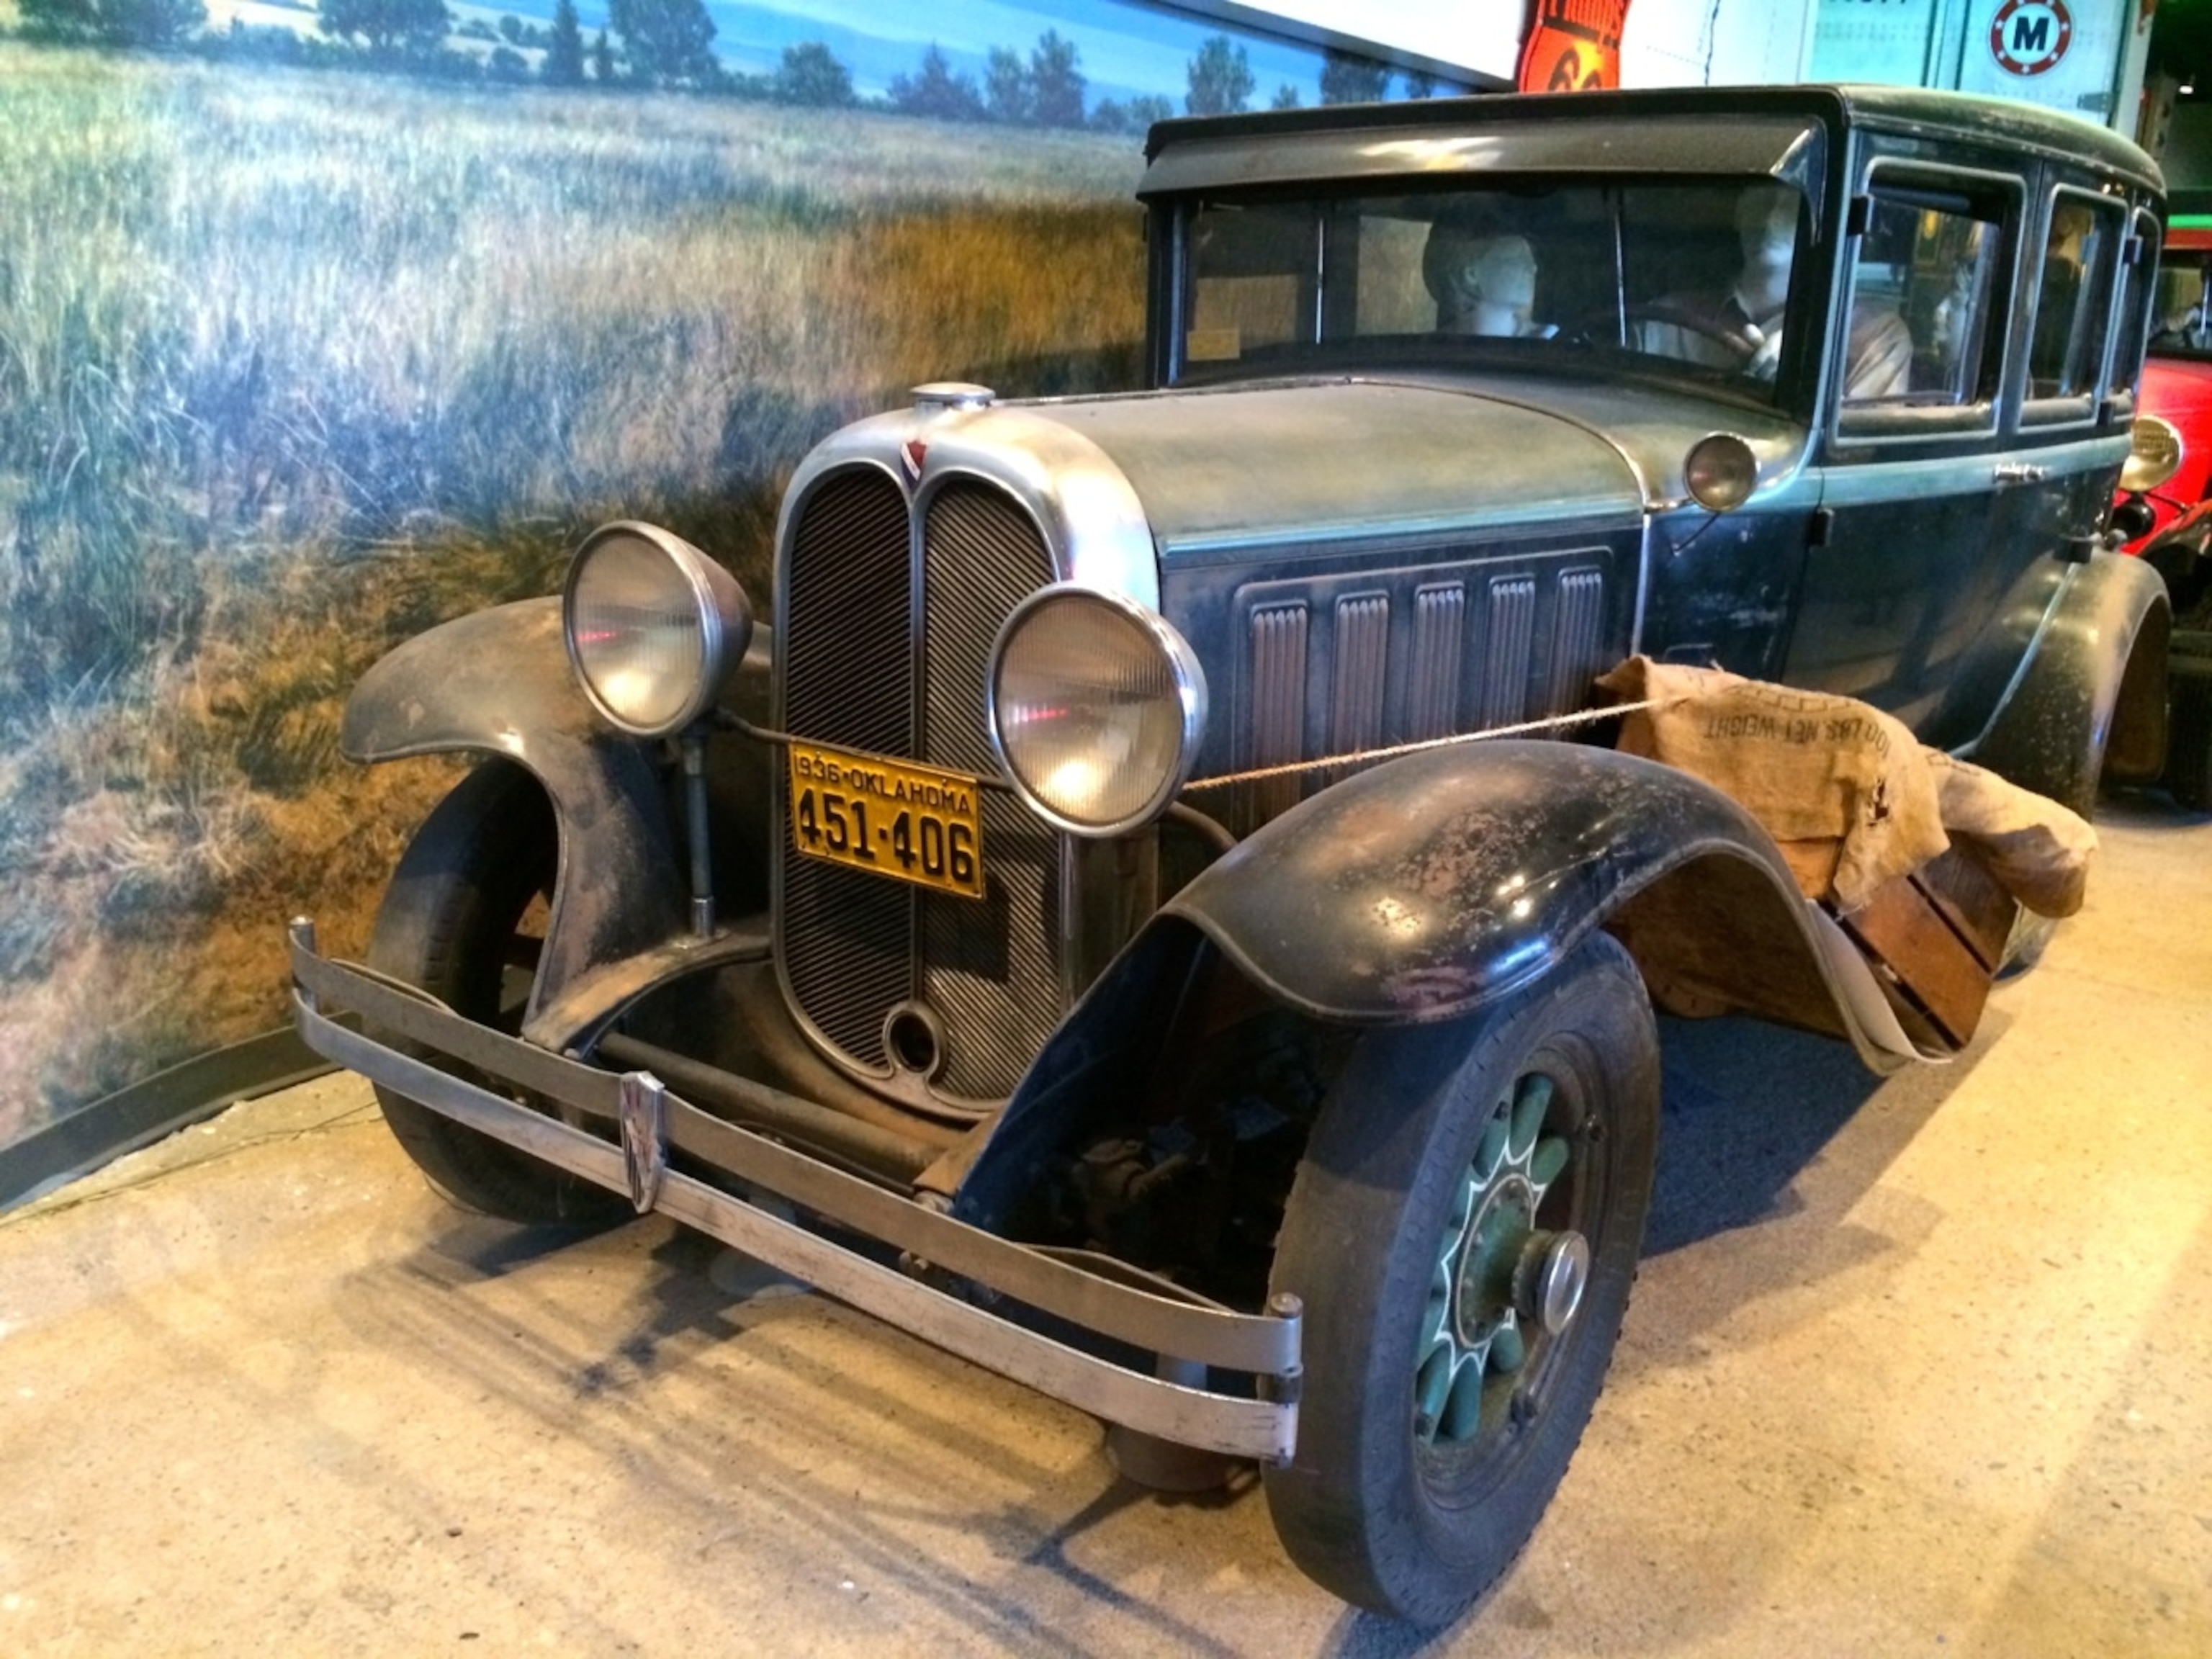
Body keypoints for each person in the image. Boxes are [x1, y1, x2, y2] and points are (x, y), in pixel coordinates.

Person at [1639, 182, 1912, 400]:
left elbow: (1860, 456)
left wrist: (1804, 390)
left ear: (1820, 219)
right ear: (1739, 213)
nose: (1770, 218)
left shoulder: (1875, 335)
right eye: (1761, 199)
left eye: (1792, 202)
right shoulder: (1662, 320)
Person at [1422, 220, 1555, 338]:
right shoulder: (1425, 353)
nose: (1533, 268)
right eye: (1515, 259)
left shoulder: (1554, 348)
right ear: (1471, 275)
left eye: (1530, 257)